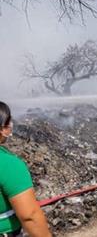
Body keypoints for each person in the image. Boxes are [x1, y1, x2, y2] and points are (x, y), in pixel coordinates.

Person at [0, 101, 51, 237]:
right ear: (2, 128)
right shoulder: (8, 164)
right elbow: (30, 216)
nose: (10, 125)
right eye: (8, 121)